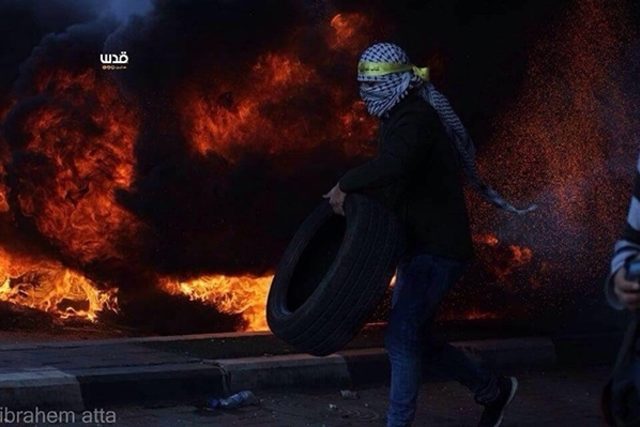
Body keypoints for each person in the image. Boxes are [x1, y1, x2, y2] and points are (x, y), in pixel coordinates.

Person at [324, 42, 535, 427]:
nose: (365, 93)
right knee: (416, 337)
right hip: (418, 246)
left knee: (401, 337)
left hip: (437, 249)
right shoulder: (398, 116)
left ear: (394, 83)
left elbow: (395, 165)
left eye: (371, 84)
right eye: (362, 84)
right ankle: (493, 390)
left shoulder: (415, 118)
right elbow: (398, 183)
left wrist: (346, 184)